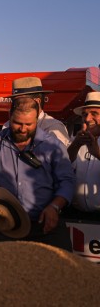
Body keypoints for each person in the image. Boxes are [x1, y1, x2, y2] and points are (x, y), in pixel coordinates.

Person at [0, 97, 75, 251]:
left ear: (37, 119)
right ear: (9, 116)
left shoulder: (53, 145)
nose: (23, 129)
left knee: (61, 271)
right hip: (5, 223)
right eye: (17, 123)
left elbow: (67, 181)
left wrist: (54, 207)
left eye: (29, 124)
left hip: (46, 224)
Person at [64, 92, 100, 221]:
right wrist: (76, 145)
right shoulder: (76, 140)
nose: (88, 118)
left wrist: (97, 154)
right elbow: (63, 167)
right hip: (77, 216)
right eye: (85, 114)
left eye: (94, 114)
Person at [3, 77, 70, 146]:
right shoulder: (7, 125)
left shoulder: (53, 127)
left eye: (20, 101)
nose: (15, 105)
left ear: (37, 102)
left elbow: (57, 154)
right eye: (14, 101)